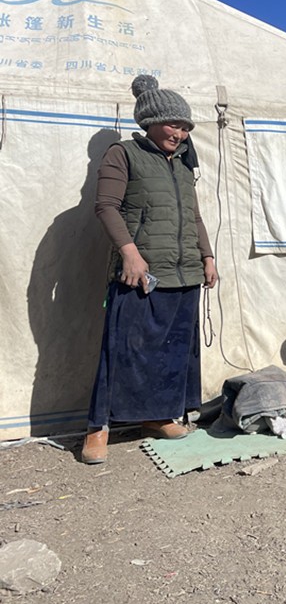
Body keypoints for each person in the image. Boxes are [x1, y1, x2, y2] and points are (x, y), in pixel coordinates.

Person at [81, 75, 218, 464]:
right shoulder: (123, 153)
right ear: (151, 122)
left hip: (185, 272)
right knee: (122, 350)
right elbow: (106, 206)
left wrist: (207, 257)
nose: (181, 133)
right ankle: (98, 427)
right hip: (142, 271)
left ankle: (157, 417)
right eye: (174, 124)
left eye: (186, 127)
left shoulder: (183, 165)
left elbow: (194, 216)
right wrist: (130, 252)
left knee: (172, 353)